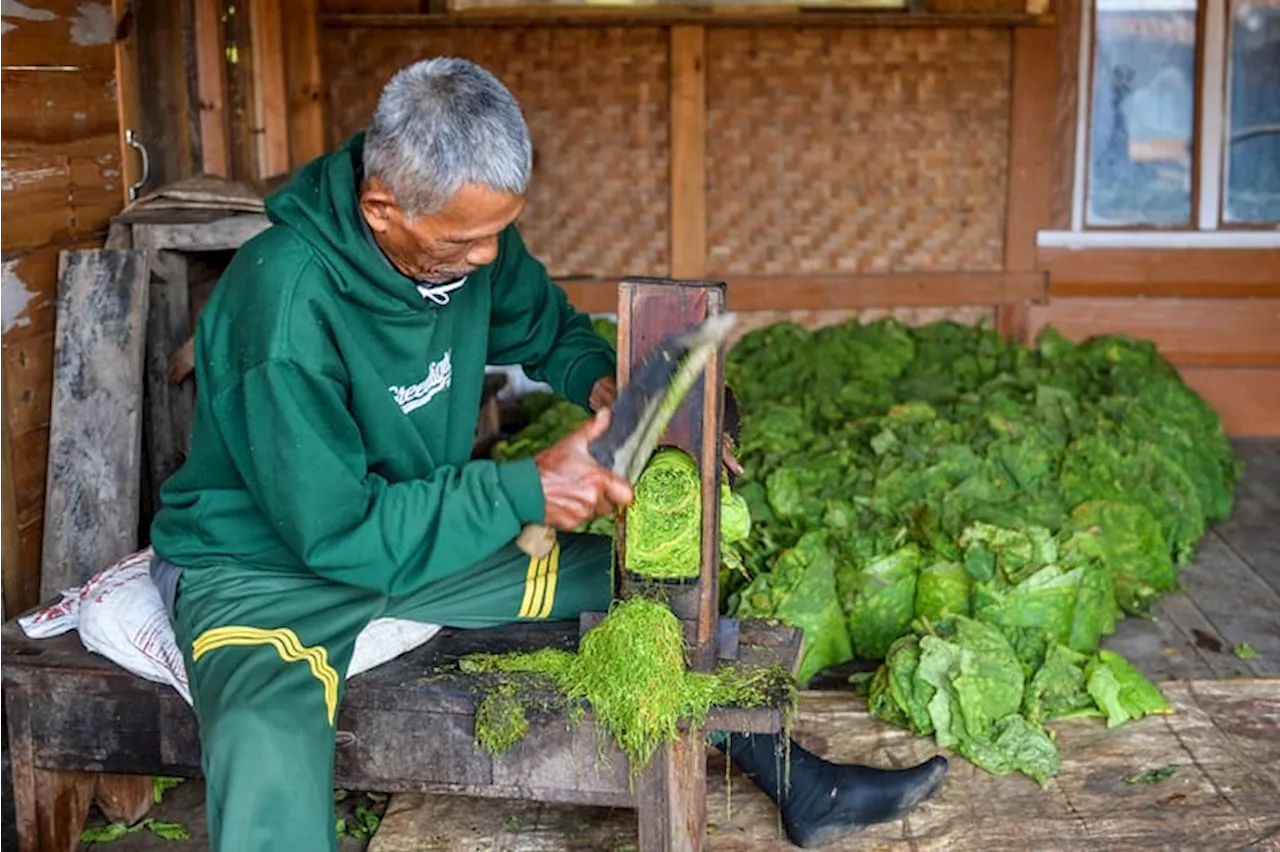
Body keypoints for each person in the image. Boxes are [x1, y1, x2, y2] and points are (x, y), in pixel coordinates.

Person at [147, 57, 948, 852]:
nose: (488, 257)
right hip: (267, 568)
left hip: (419, 531)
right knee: (262, 745)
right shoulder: (284, 305)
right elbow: (338, 534)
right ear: (382, 205)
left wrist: (609, 385)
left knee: (655, 591)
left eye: (499, 231)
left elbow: (548, 329)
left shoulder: (463, 235)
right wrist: (525, 490)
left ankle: (803, 783)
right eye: (467, 239)